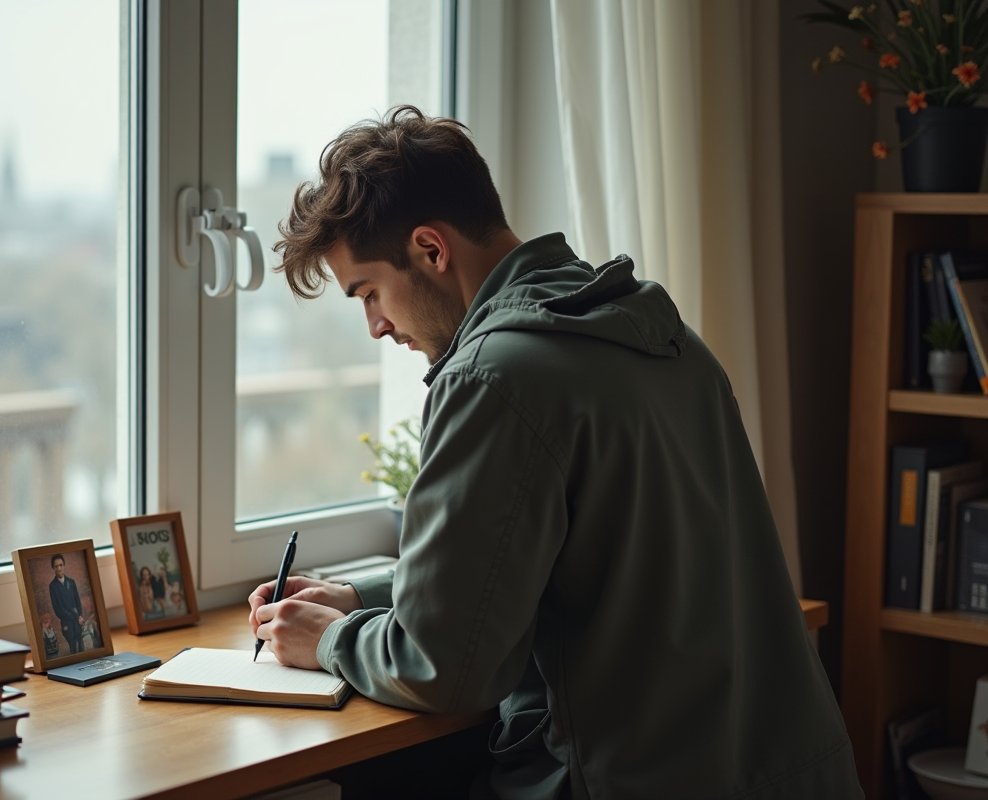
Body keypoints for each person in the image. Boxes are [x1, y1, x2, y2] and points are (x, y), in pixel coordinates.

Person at [248, 106, 862, 799]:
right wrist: (360, 595)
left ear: (429, 248)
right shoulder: (664, 339)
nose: (376, 326)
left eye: (369, 293)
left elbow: (442, 669)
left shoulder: (495, 376)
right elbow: (570, 559)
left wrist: (328, 640)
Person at [48, 553, 84, 655]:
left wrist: (80, 615)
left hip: (78, 621)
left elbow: (77, 600)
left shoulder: (71, 582)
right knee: (72, 646)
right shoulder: (53, 586)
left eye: (61, 565)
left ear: (64, 566)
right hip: (67, 622)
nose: (59, 568)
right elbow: (58, 609)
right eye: (56, 566)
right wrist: (75, 617)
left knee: (81, 644)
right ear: (53, 568)